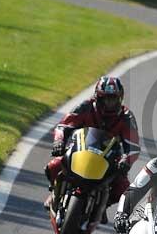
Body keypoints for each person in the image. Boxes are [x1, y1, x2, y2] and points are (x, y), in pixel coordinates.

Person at [44, 75, 139, 212]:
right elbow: (63, 126)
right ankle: (55, 193)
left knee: (123, 190)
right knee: (54, 166)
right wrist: (59, 141)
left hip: (109, 160)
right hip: (80, 150)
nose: (109, 104)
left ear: (120, 98)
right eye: (106, 99)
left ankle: (102, 206)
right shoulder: (85, 107)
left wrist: (126, 159)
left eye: (113, 99)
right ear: (98, 97)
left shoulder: (126, 117)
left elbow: (134, 145)